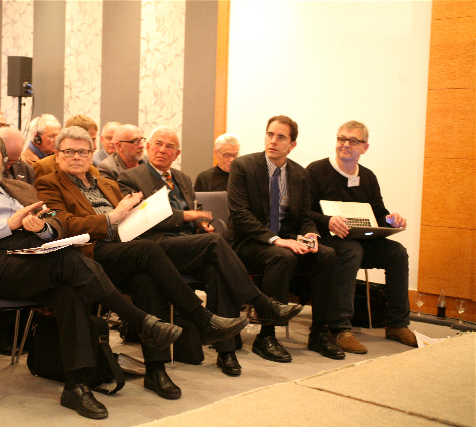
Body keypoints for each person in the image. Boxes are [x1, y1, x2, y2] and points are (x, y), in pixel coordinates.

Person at [0, 130, 183, 419]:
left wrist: (44, 230)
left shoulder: (22, 189)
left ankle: (76, 386)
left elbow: (56, 222)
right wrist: (7, 224)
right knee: (69, 260)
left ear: (3, 159)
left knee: (68, 291)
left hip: (34, 258)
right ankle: (140, 321)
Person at [34, 126, 279, 394]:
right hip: (89, 253)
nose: (76, 157)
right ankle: (202, 317)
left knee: (147, 281)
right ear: (57, 154)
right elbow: (63, 223)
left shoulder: (105, 184)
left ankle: (156, 370)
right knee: (149, 250)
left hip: (123, 248)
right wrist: (113, 216)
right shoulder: (48, 183)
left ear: (91, 154)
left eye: (82, 152)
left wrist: (141, 213)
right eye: (69, 151)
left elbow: (131, 219)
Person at [117, 126, 303, 376]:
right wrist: (187, 216)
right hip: (153, 248)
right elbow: (138, 220)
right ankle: (261, 302)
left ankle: (226, 352)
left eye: (170, 147)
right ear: (148, 147)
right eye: (158, 144)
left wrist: (199, 224)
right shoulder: (130, 178)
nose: (162, 150)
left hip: (186, 246)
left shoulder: (182, 178)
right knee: (215, 243)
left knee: (218, 272)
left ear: (177, 153)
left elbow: (193, 216)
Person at [226, 115, 344, 363]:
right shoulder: (243, 166)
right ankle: (266, 336)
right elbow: (240, 214)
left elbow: (304, 215)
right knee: (282, 256)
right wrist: (275, 239)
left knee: (327, 255)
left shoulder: (299, 174)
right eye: (270, 135)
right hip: (247, 242)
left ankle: (319, 333)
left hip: (285, 241)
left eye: (281, 137)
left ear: (292, 145)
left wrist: (311, 233)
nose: (273, 141)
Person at [307, 120, 415, 351]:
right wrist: (328, 221)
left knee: (397, 252)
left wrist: (390, 220)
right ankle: (339, 328)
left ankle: (397, 324)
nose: (345, 144)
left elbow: (379, 213)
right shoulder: (317, 171)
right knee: (351, 250)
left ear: (365, 148)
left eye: (353, 141)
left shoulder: (367, 176)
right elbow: (303, 212)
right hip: (327, 240)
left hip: (359, 239)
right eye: (341, 139)